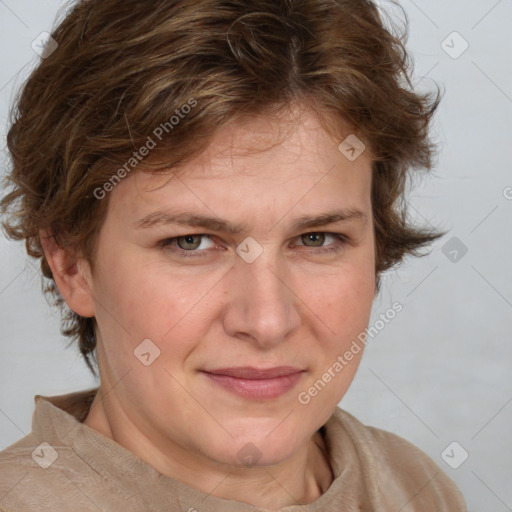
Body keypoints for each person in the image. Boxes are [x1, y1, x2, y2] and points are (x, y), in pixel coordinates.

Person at [0, 0, 467, 510]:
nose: (267, 321)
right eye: (191, 242)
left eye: (317, 239)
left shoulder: (415, 487)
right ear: (72, 264)